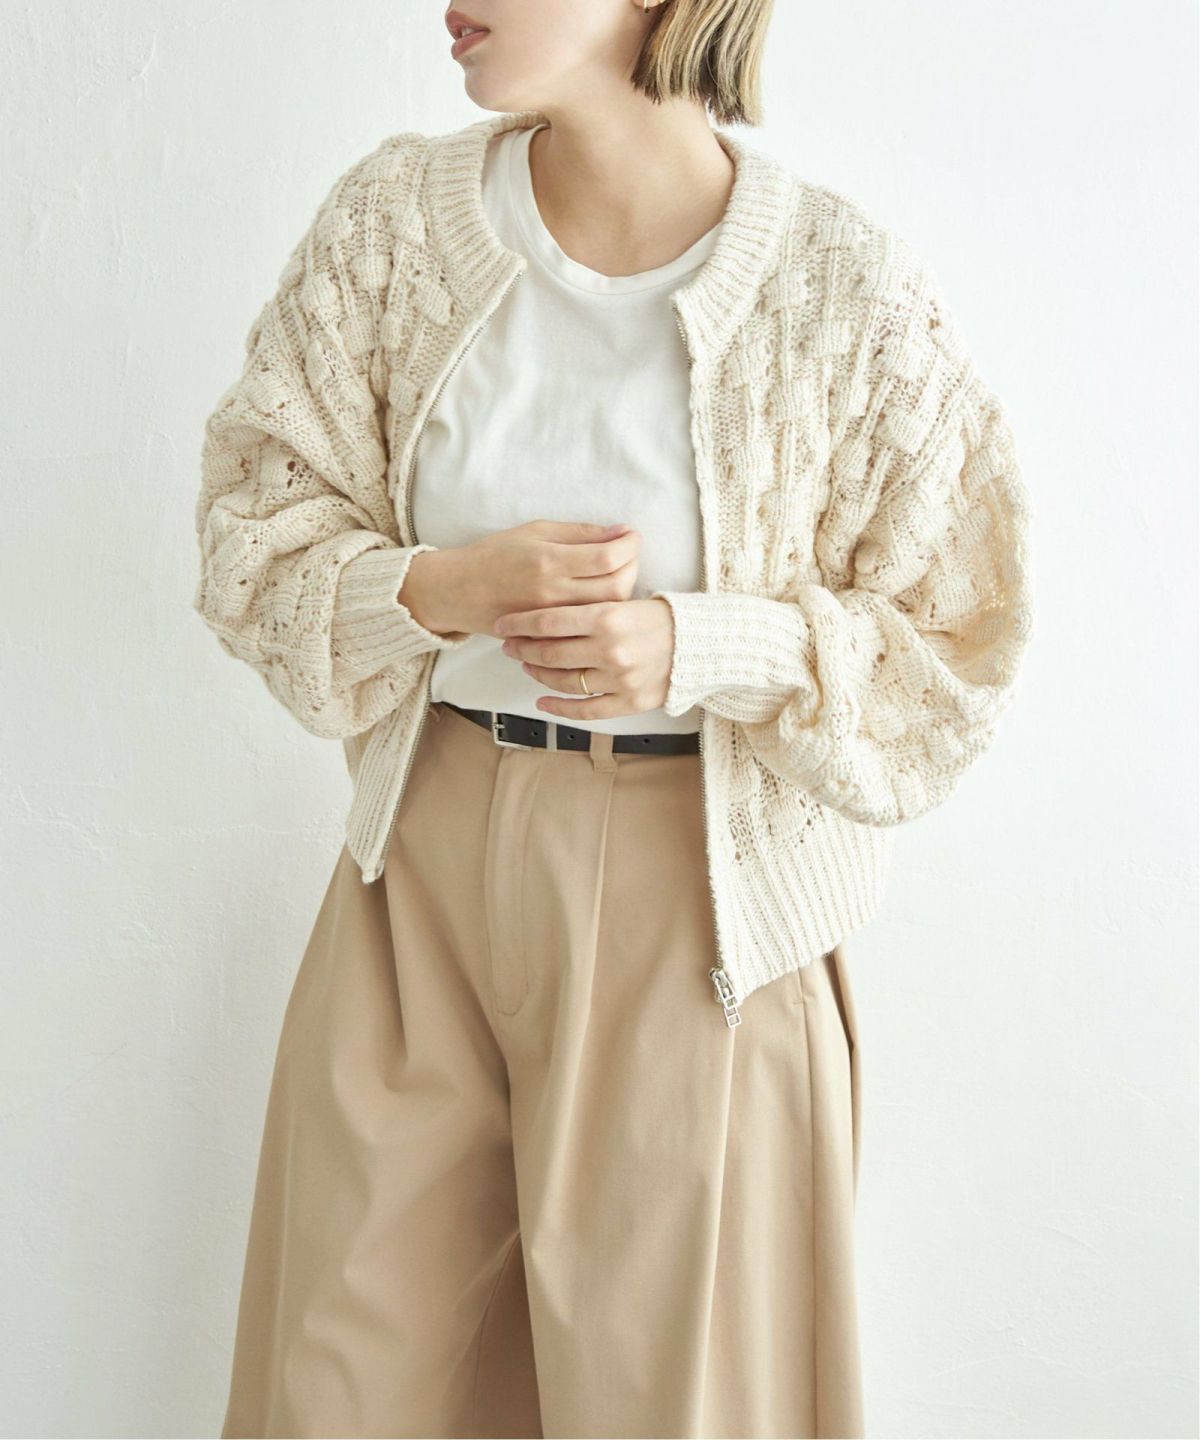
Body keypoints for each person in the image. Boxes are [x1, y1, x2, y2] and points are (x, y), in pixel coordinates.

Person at [193, 1, 1033, 1435]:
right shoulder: (393, 227)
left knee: (674, 1404)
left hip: (702, 915)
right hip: (418, 883)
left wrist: (705, 647)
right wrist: (437, 589)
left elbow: (954, 662)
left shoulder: (845, 294)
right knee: (333, 1391)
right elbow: (250, 539)